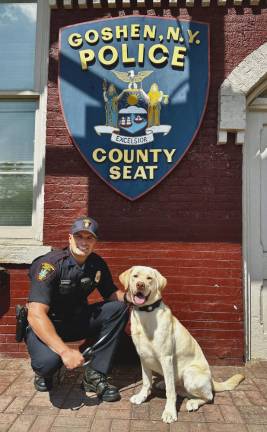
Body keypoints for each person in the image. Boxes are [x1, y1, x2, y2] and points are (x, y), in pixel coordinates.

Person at [25, 216, 128, 402]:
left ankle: (94, 375)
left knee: (118, 308)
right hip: (46, 326)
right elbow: (35, 313)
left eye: (89, 238)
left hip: (75, 321)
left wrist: (133, 298)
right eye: (79, 236)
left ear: (95, 242)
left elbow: (111, 293)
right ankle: (45, 373)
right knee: (48, 363)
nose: (84, 242)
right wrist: (65, 351)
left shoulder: (96, 264)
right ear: (70, 238)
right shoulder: (50, 265)